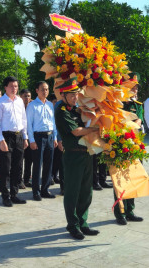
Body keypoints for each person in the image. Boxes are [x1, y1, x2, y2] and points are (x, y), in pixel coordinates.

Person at [54, 77, 99, 240]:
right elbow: (77, 131)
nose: (75, 98)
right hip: (72, 155)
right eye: (71, 95)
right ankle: (72, 225)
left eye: (76, 94)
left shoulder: (78, 110)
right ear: (63, 95)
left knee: (86, 191)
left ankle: (83, 222)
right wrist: (96, 129)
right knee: (73, 192)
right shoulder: (62, 111)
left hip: (86, 153)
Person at [0, 77, 28, 207]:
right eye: (11, 86)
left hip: (18, 136)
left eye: (16, 86)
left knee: (18, 167)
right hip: (6, 138)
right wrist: (1, 140)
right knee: (5, 168)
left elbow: (23, 119)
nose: (14, 88)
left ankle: (14, 194)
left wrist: (25, 137)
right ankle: (5, 195)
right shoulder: (0, 103)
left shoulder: (19, 101)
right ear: (5, 88)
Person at [114, 74, 144, 225]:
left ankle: (130, 210)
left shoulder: (138, 104)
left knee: (132, 178)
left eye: (136, 87)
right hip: (120, 144)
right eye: (133, 87)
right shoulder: (119, 103)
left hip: (134, 144)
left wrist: (131, 126)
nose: (135, 90)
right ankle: (120, 212)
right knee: (120, 179)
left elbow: (138, 120)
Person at [26, 81, 57, 201]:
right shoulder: (32, 105)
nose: (45, 91)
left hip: (49, 136)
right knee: (37, 165)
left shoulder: (49, 104)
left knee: (48, 165)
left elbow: (53, 122)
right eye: (43, 89)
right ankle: (36, 191)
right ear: (37, 90)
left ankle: (45, 189)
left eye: (47, 89)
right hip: (38, 137)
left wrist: (54, 137)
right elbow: (29, 124)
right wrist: (31, 140)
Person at [20, 89, 33, 188]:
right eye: (25, 96)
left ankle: (27, 179)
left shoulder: (32, 107)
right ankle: (18, 180)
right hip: (19, 137)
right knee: (19, 160)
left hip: (30, 137)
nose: (27, 98)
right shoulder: (18, 107)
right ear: (20, 97)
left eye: (29, 96)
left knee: (29, 160)